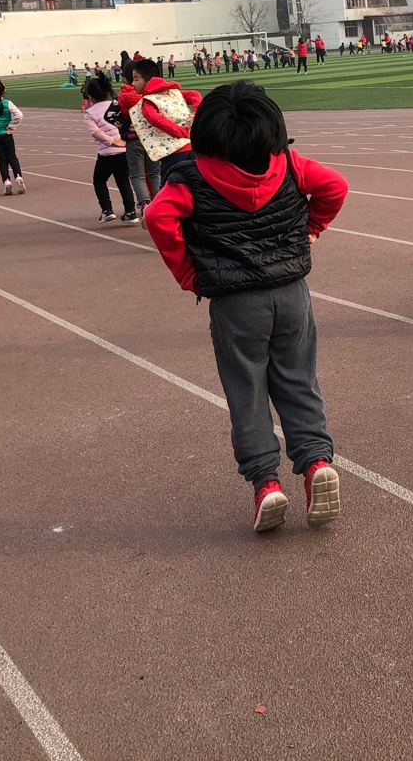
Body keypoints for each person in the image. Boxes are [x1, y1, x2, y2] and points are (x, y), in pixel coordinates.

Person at [145, 80, 348, 533]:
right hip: (292, 294)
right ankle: (316, 463)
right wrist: (312, 228)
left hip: (235, 304)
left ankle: (265, 483)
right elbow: (335, 186)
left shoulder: (191, 178)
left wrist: (189, 274)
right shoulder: (290, 164)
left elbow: (157, 216)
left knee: (247, 390)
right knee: (299, 380)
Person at [131, 58, 203, 183]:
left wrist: (180, 131)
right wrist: (198, 113)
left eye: (136, 79)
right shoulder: (173, 93)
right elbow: (194, 95)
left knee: (168, 187)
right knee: (194, 184)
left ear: (148, 81)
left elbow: (155, 119)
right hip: (191, 147)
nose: (133, 83)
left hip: (173, 152)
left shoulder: (148, 102)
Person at [82, 76, 139, 224]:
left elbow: (96, 132)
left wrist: (112, 142)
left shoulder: (90, 113)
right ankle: (131, 212)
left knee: (99, 180)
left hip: (107, 153)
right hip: (124, 151)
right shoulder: (116, 105)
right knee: (123, 181)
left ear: (90, 96)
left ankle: (107, 210)